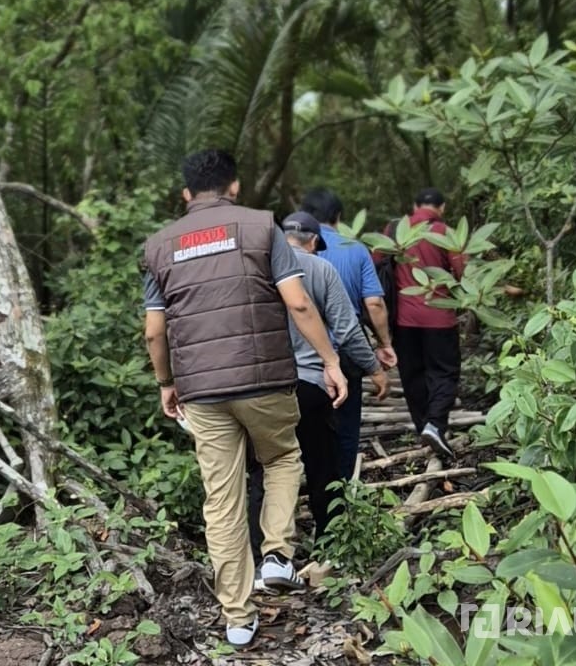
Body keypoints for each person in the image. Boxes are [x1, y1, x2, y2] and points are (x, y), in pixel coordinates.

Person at [141, 150, 348, 648]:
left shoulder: (158, 246)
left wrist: (167, 383)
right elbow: (297, 301)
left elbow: (154, 331)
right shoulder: (261, 227)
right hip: (265, 383)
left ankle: (237, 616)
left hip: (202, 392)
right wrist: (330, 361)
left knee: (222, 497)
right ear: (234, 186)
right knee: (281, 457)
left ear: (186, 194)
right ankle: (277, 554)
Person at [246, 211, 390, 577]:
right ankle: (329, 545)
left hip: (261, 385)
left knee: (265, 468)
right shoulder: (321, 270)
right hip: (310, 385)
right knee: (323, 464)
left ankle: (259, 553)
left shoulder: (254, 269)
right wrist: (373, 369)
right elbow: (347, 329)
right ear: (314, 242)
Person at [300, 187, 397, 479]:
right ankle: (340, 489)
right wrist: (384, 343)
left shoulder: (283, 251)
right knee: (345, 422)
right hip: (345, 347)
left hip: (300, 351)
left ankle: (310, 480)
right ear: (339, 217)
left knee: (305, 420)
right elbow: (374, 303)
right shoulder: (353, 248)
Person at [392, 187, 467, 460]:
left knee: (412, 374)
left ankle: (423, 426)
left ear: (414, 206)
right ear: (442, 207)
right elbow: (462, 273)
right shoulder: (445, 233)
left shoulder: (394, 232)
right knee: (444, 372)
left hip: (403, 318)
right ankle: (435, 425)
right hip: (439, 316)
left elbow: (377, 266)